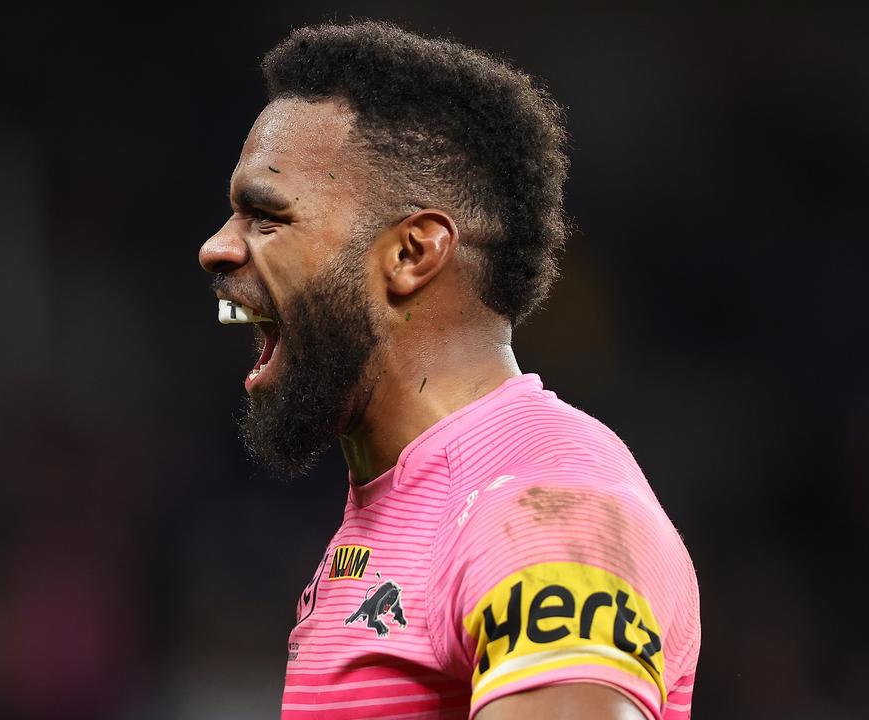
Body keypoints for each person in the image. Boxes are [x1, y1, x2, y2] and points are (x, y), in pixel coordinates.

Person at [198, 20, 699, 720]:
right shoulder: (402, 508)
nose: (216, 249)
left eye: (266, 216)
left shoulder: (544, 511)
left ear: (410, 255)